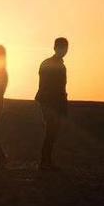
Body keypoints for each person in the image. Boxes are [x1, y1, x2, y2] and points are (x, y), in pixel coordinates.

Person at [36, 37, 69, 170]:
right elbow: (53, 86)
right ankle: (45, 161)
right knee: (51, 132)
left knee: (52, 132)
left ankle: (46, 160)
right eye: (62, 47)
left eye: (65, 48)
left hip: (51, 102)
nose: (64, 50)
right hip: (51, 102)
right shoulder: (54, 64)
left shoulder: (52, 64)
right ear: (56, 48)